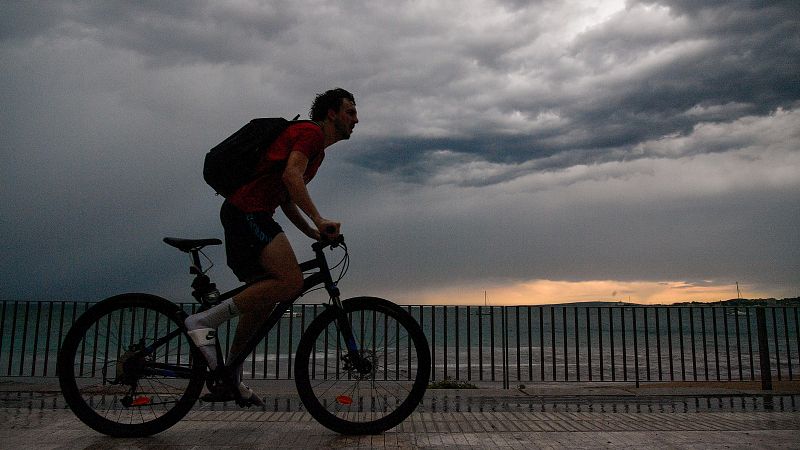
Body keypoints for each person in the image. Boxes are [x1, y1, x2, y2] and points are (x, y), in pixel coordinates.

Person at [185, 88, 358, 406]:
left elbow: (286, 196)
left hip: (251, 213)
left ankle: (229, 378)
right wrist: (319, 219)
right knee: (290, 282)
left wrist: (312, 232)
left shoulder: (316, 153)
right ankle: (204, 322)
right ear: (331, 113)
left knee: (262, 301)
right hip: (247, 211)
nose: (356, 119)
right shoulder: (310, 134)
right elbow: (292, 176)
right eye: (350, 111)